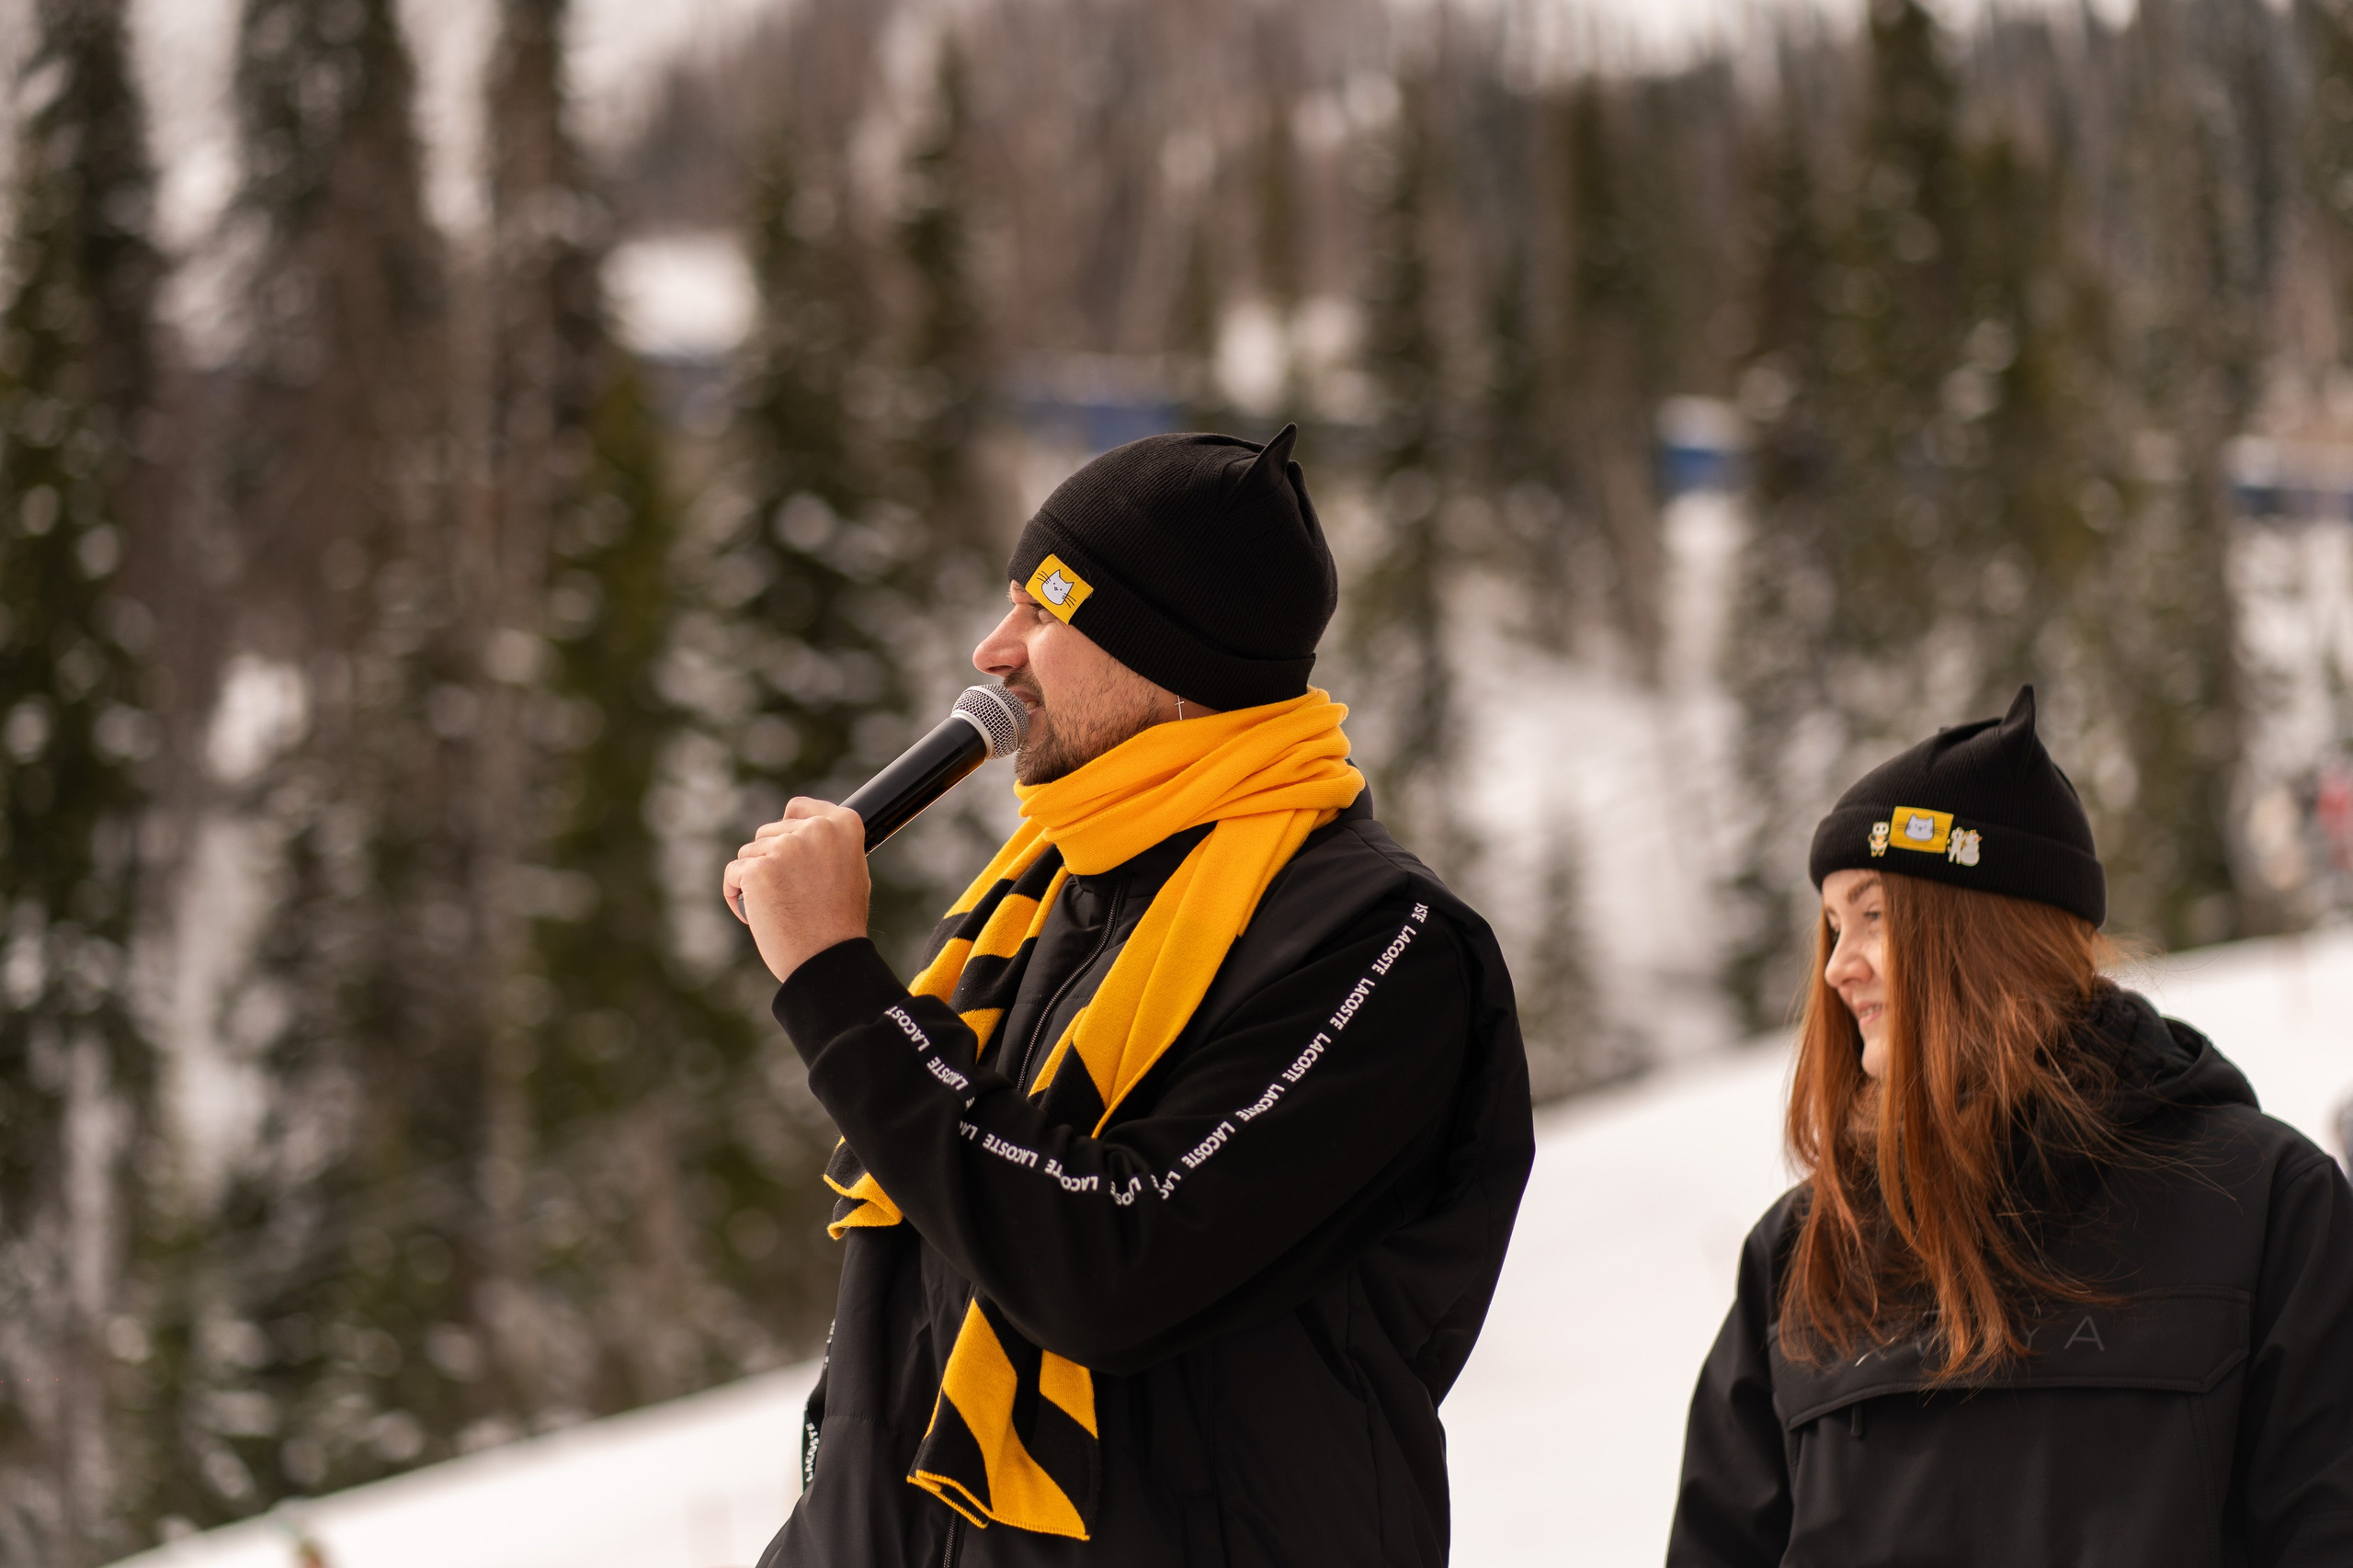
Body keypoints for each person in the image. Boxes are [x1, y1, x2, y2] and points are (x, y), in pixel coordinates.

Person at [725, 426, 1533, 1568]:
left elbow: (1111, 1257)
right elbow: (920, 1313)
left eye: (1044, 613)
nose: (992, 650)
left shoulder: (1379, 944)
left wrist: (837, 986)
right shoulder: (1046, 894)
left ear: (1169, 651)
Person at [1668, 687, 2353, 1567]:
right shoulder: (1804, 1250)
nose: (1838, 967)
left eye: (1875, 917)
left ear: (1992, 933)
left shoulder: (2263, 1203)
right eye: (1833, 927)